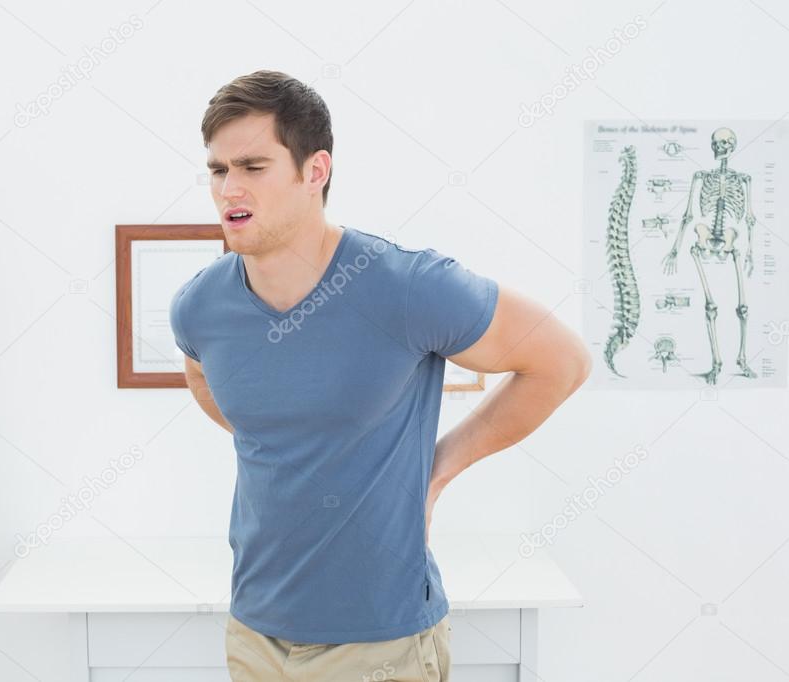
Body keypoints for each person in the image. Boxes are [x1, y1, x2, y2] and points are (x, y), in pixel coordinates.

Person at [169, 69, 591, 681]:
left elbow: (561, 361)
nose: (229, 188)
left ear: (315, 172)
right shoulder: (199, 305)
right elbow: (208, 385)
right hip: (254, 631)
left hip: (381, 643)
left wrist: (437, 471)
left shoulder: (409, 287)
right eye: (217, 170)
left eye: (253, 167)